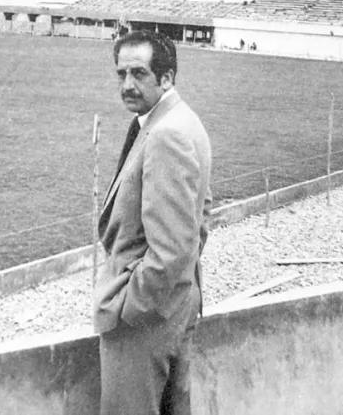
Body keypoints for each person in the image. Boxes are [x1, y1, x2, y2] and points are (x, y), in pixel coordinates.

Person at [94, 30, 212, 415]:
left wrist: (129, 307)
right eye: (121, 74)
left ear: (167, 77)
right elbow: (201, 216)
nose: (127, 85)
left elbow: (174, 247)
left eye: (139, 73)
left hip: (146, 321)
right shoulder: (183, 120)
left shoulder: (166, 133)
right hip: (175, 305)